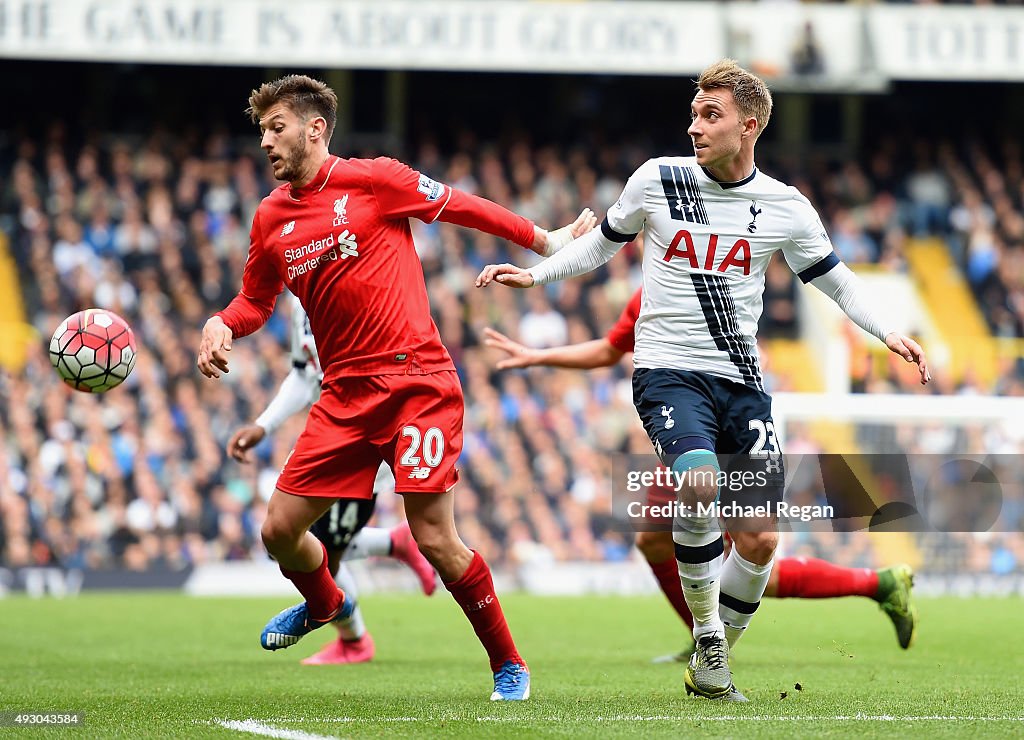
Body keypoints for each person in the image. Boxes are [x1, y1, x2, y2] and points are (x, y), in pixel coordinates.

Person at [476, 59, 929, 701]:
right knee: (696, 480)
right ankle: (709, 635)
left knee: (762, 537)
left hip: (742, 384)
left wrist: (885, 332)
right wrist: (536, 275)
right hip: (668, 373)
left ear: (749, 126)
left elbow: (835, 278)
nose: (695, 126)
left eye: (710, 115)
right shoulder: (658, 181)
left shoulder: (785, 207)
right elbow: (602, 244)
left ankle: (712, 661)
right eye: (693, 113)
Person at [197, 74, 595, 701]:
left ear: (315, 128)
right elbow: (254, 300)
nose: (267, 143)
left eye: (277, 128)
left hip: (417, 384)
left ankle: (508, 665)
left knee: (436, 537)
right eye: (262, 132)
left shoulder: (375, 180)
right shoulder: (271, 218)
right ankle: (328, 605)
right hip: (343, 397)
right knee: (278, 530)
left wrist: (544, 240)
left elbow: (464, 205)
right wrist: (221, 323)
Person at [484, 286, 918, 664]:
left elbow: (749, 349)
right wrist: (538, 356)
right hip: (687, 438)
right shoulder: (648, 296)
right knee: (655, 538)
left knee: (752, 556)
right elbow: (609, 349)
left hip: (730, 431)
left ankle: (877, 583)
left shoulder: (716, 282)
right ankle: (705, 640)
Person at [227, 293, 438, 665]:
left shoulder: (362, 288)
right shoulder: (301, 303)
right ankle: (393, 547)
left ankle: (355, 640)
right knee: (293, 541)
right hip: (329, 440)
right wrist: (264, 426)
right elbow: (303, 374)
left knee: (318, 556)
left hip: (366, 442)